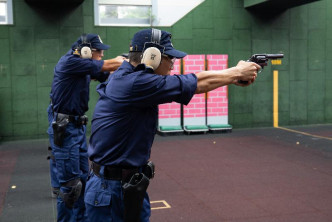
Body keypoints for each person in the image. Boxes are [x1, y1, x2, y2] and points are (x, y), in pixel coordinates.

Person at [85, 28, 261, 222]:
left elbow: (196, 83)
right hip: (112, 190)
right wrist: (237, 72)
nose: (173, 65)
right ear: (152, 56)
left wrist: (233, 77)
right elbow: (197, 82)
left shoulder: (129, 77)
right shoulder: (136, 83)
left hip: (123, 184)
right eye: (170, 58)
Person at [47, 33, 126, 222]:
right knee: (71, 187)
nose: (100, 55)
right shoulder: (71, 62)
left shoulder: (83, 66)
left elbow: (105, 73)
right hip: (66, 130)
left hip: (76, 127)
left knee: (83, 180)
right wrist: (126, 61)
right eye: (98, 51)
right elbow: (108, 65)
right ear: (85, 51)